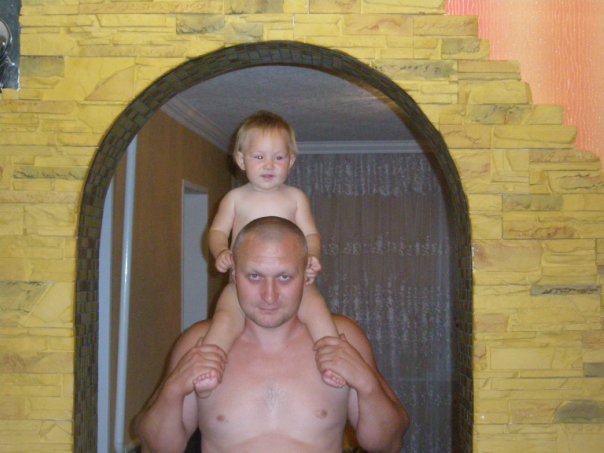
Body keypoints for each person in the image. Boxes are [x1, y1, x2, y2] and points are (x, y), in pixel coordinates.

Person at [136, 217, 409, 453]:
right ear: (234, 275)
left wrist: (367, 384)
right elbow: (156, 447)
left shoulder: (342, 337)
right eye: (254, 276)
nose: (269, 295)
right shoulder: (200, 343)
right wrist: (173, 390)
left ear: (306, 276)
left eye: (284, 277)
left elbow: (388, 444)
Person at [199, 110, 344, 393]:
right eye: (259, 156)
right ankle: (209, 366)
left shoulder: (295, 198)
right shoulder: (235, 198)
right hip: (241, 284)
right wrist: (221, 251)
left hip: (293, 281)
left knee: (318, 311)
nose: (269, 165)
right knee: (224, 320)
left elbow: (311, 235)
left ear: (291, 161)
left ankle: (333, 360)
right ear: (241, 159)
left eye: (278, 157)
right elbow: (216, 232)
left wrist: (312, 256)